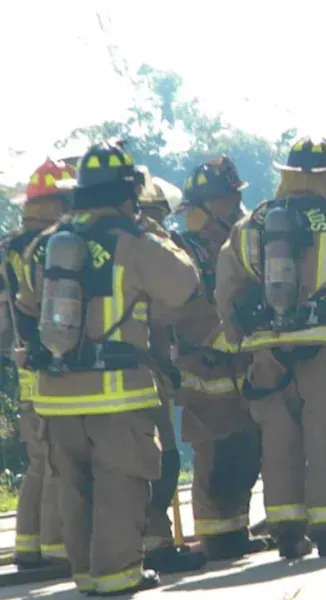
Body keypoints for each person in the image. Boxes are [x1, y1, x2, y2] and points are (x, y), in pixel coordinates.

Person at [14, 141, 201, 595]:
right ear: (129, 192)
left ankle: (86, 578)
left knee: (75, 489)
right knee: (120, 484)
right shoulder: (133, 241)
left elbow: (26, 301)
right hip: (117, 393)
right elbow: (184, 285)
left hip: (56, 394)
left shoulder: (47, 244)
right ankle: (118, 579)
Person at [214, 136, 326, 558]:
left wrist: (239, 342)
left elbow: (226, 287)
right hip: (322, 351)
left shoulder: (252, 225)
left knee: (278, 441)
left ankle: (286, 531)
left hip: (266, 354)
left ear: (286, 175)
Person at [167, 157, 269, 560]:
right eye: (228, 201)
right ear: (203, 210)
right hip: (205, 372)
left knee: (246, 451)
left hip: (241, 369)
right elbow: (188, 312)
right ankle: (215, 538)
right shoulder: (182, 251)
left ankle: (234, 532)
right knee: (214, 457)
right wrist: (229, 337)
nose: (236, 208)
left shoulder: (242, 243)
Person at [135, 168, 207, 573]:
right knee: (154, 462)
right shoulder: (143, 248)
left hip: (149, 367)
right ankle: (154, 546)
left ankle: (155, 542)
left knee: (158, 460)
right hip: (142, 370)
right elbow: (172, 302)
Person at [3, 159, 72, 569]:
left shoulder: (9, 247)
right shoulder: (54, 245)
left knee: (38, 461)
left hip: (23, 362)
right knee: (57, 462)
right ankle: (56, 549)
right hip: (53, 364)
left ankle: (28, 546)